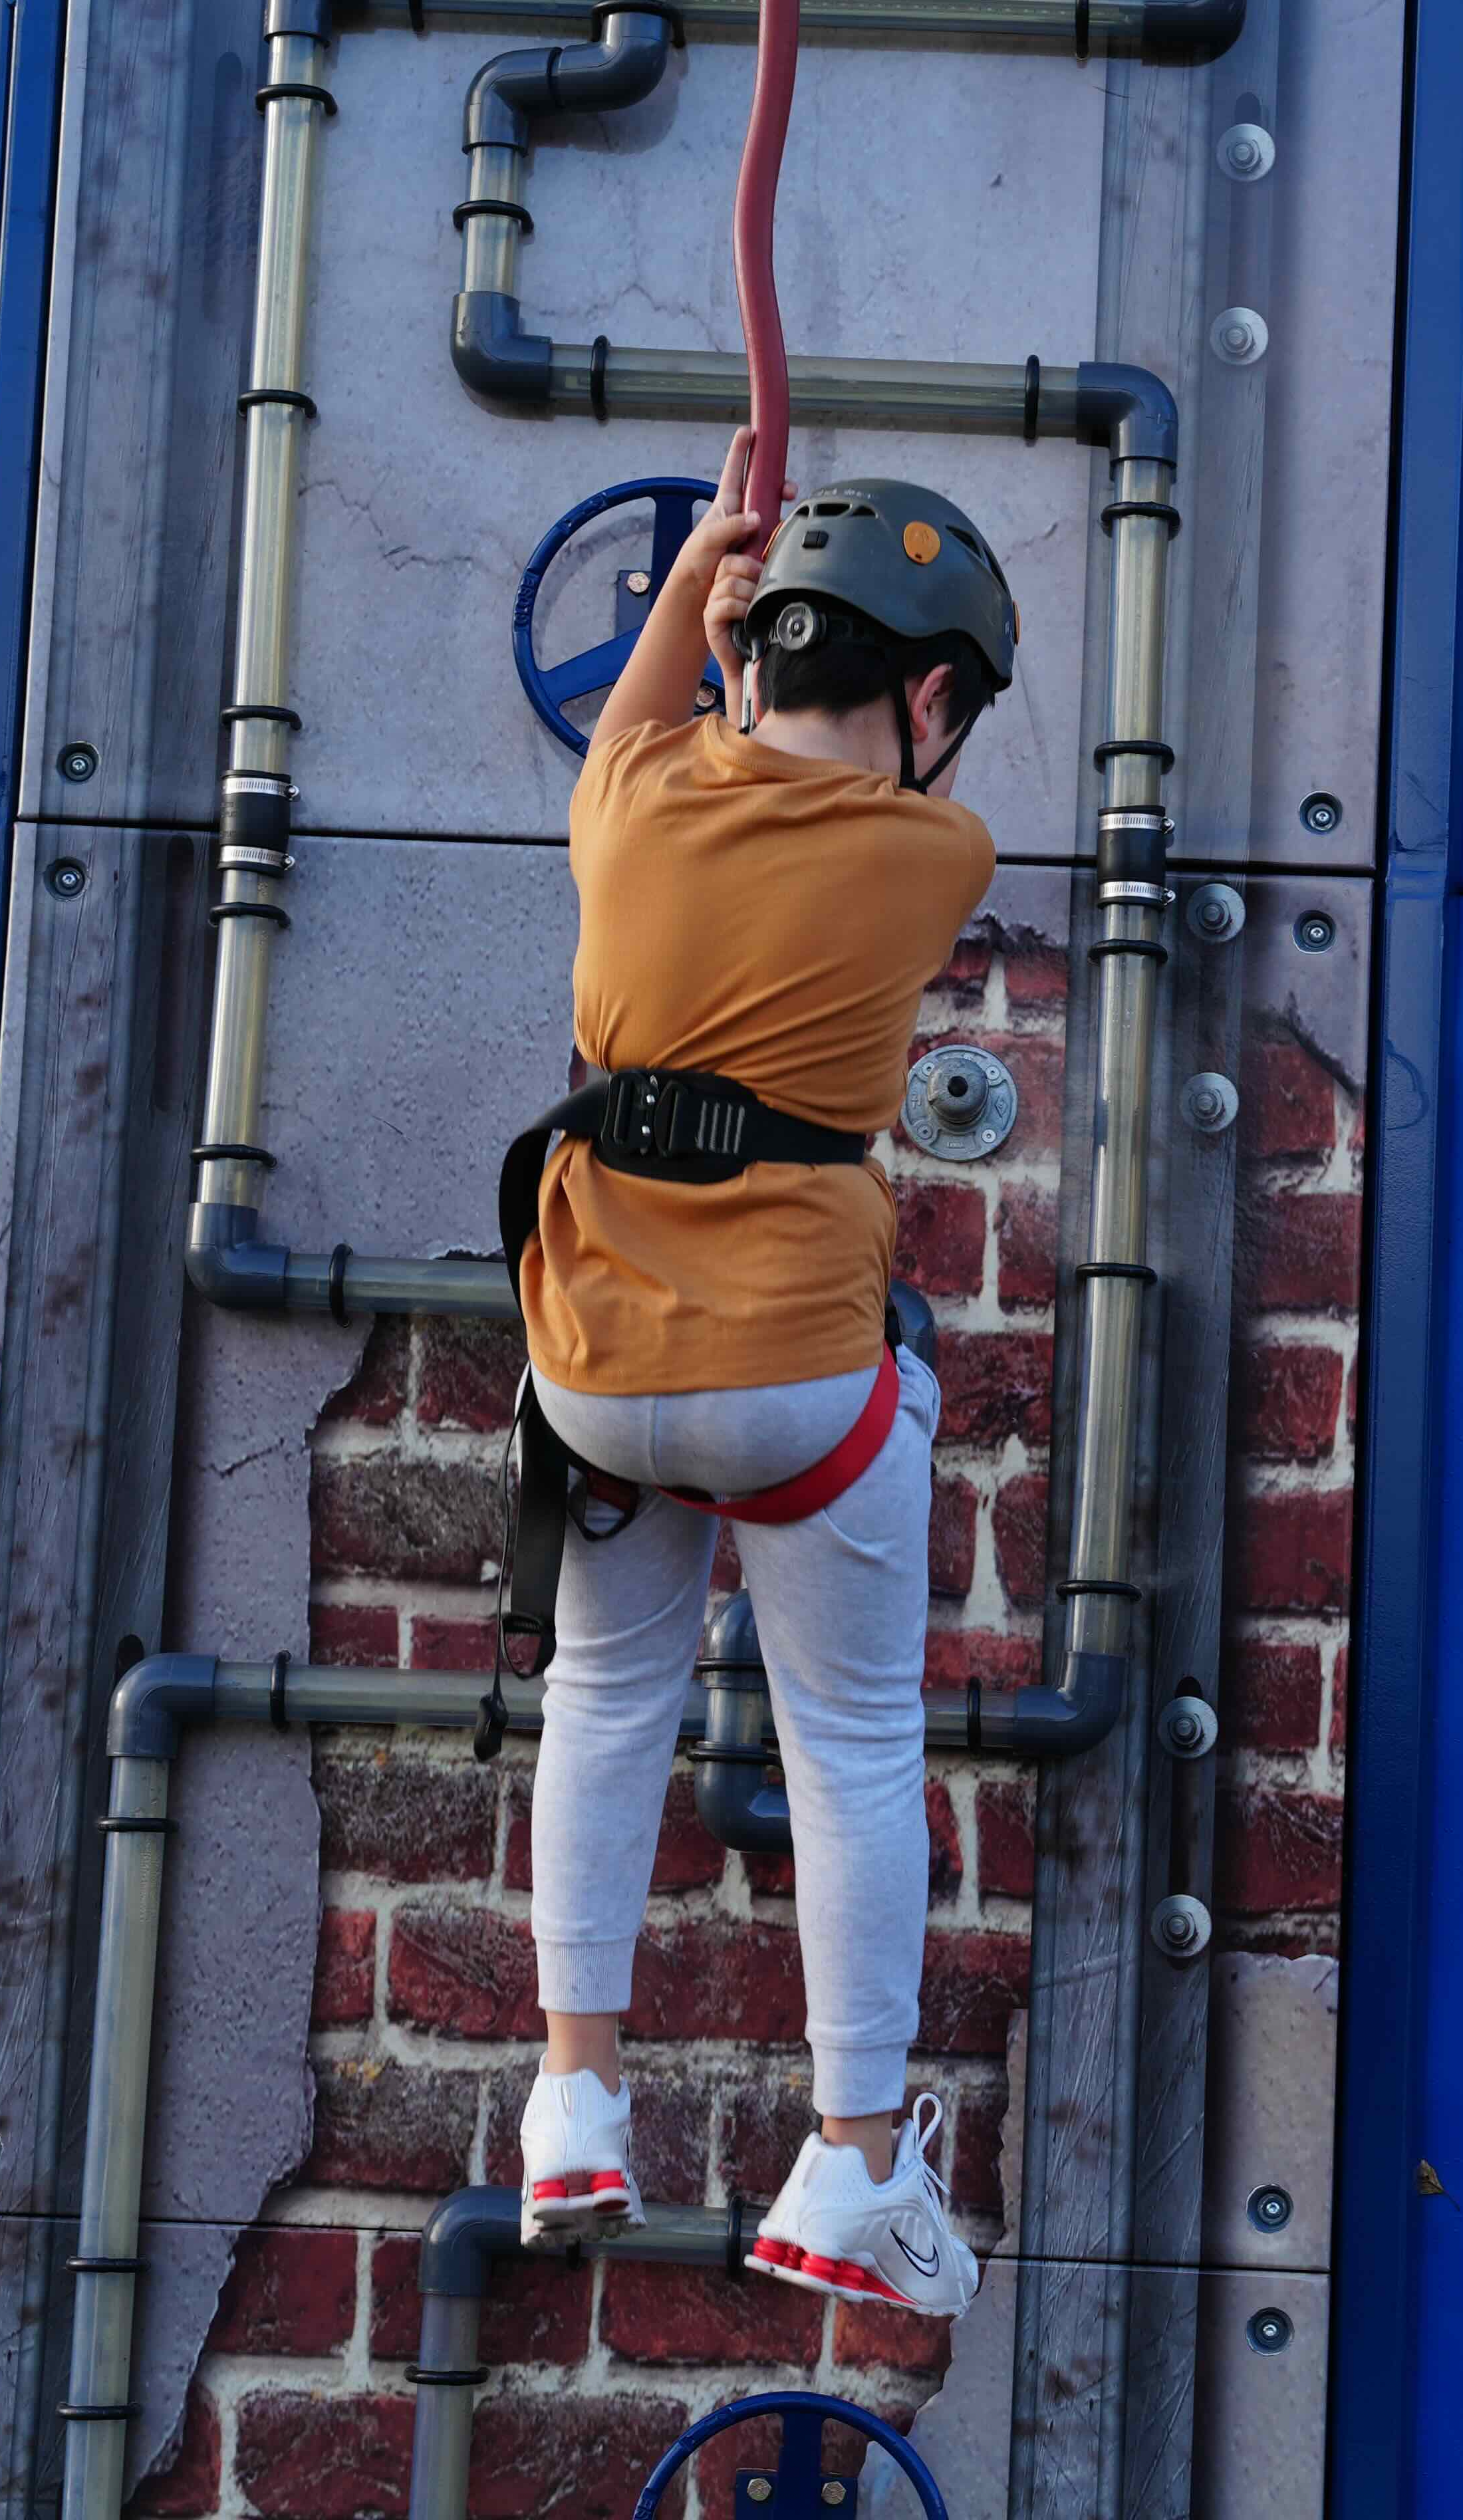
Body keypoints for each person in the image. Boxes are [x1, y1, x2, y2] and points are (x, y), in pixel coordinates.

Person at [511, 432, 1013, 2317]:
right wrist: (745, 627)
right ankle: (852, 2161)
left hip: (594, 1367)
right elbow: (801, 784)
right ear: (933, 699)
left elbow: (672, 732)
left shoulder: (630, 798)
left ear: (748, 654)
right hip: (796, 1380)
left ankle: (573, 2101)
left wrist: (698, 591)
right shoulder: (937, 852)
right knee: (853, 1740)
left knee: (602, 1697)